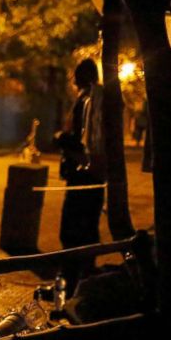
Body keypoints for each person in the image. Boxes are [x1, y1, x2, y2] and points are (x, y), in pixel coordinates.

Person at [58, 59, 106, 291]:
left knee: (73, 231)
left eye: (76, 75)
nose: (73, 80)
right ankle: (78, 284)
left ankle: (71, 285)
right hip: (91, 175)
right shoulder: (94, 99)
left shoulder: (87, 100)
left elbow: (82, 140)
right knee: (86, 231)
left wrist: (62, 140)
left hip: (83, 175)